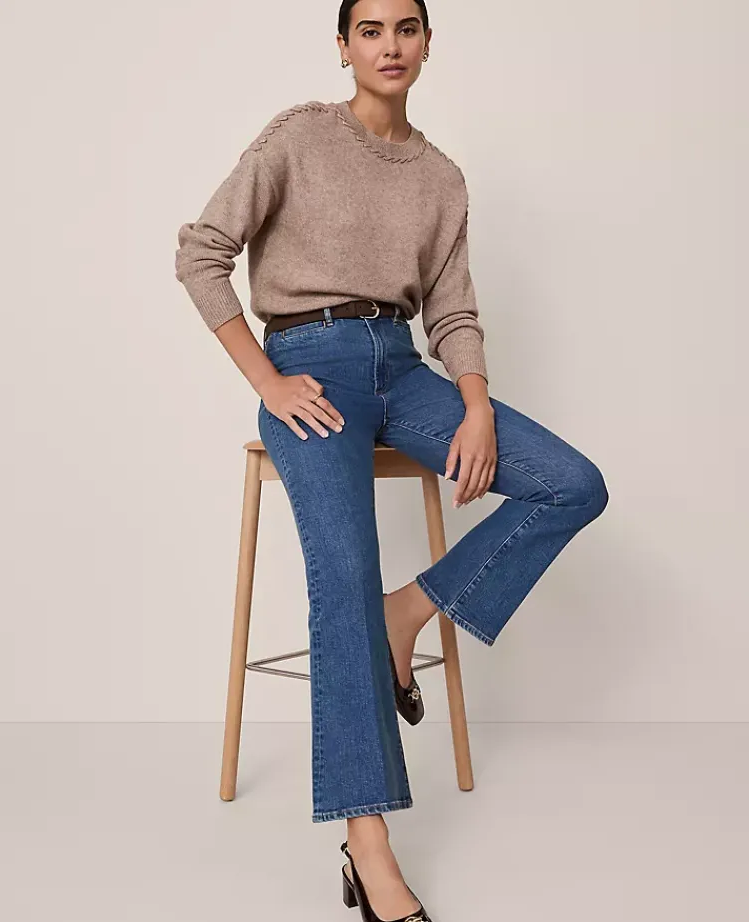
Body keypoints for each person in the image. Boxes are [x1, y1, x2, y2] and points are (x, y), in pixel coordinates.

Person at [175, 1, 609, 918]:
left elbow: (452, 308)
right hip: (310, 365)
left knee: (571, 485)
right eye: (370, 30)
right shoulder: (298, 137)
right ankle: (367, 844)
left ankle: (404, 614)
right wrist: (267, 378)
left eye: (406, 29)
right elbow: (200, 254)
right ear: (343, 47)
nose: (390, 45)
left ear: (427, 44)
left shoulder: (441, 177)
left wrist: (476, 404)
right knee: (342, 578)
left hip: (405, 369)